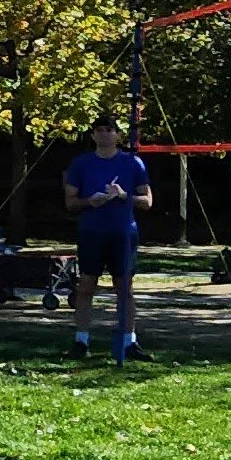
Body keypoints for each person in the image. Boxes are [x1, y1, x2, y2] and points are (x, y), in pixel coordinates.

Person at [63, 114, 152, 363]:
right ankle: (81, 341)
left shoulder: (133, 163)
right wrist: (89, 201)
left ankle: (128, 342)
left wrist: (123, 196)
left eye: (109, 130)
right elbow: (70, 202)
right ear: (92, 135)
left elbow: (147, 201)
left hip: (123, 232)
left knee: (124, 287)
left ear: (118, 135)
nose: (104, 134)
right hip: (91, 231)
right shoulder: (81, 164)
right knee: (86, 285)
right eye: (99, 130)